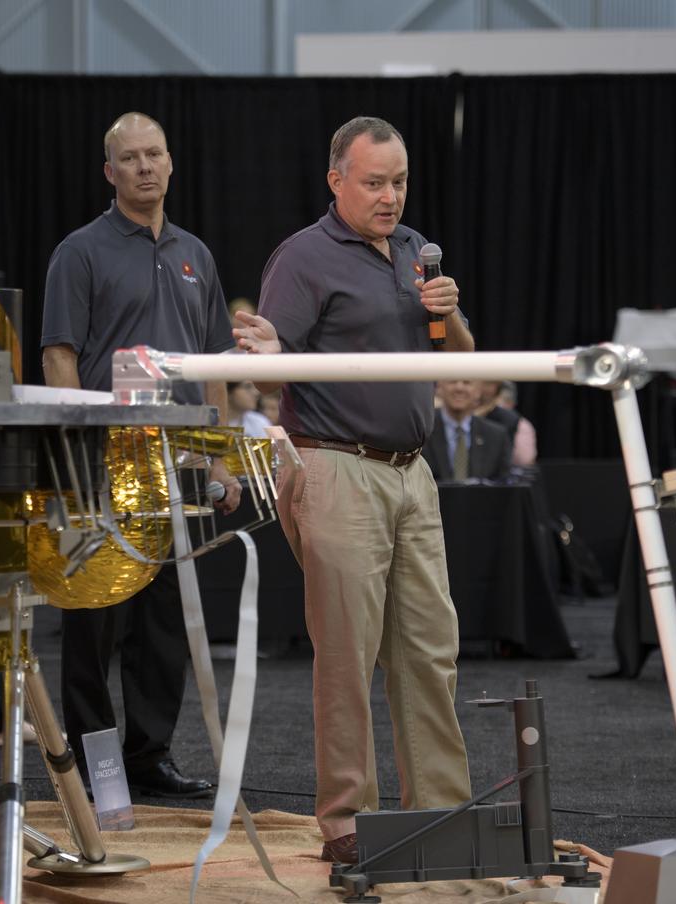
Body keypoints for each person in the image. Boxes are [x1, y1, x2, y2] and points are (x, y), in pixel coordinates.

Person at [233, 115, 473, 864]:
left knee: (431, 649)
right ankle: (346, 821)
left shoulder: (414, 253)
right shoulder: (304, 257)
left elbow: (463, 361)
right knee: (347, 652)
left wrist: (450, 313)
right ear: (337, 179)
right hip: (336, 465)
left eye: (399, 181)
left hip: (413, 472)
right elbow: (269, 352)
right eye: (375, 182)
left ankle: (441, 810)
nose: (391, 196)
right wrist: (271, 348)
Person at [40, 111, 240, 798]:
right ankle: (96, 766)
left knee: (163, 629)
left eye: (155, 153)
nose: (145, 166)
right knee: (94, 623)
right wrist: (76, 458)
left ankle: (148, 756)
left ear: (171, 162)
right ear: (110, 171)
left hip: (179, 466)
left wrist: (221, 458)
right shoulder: (80, 251)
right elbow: (60, 355)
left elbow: (213, 363)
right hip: (105, 463)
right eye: (131, 158)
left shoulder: (197, 255)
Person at [424, 380, 512, 481]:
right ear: (439, 387)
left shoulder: (497, 436)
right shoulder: (421, 432)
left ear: (478, 391)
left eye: (467, 383)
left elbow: (503, 486)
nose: (459, 388)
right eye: (452, 381)